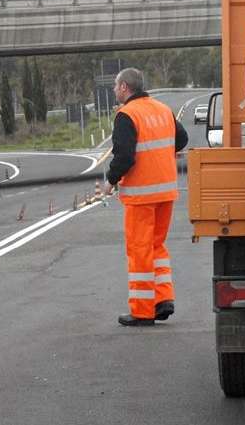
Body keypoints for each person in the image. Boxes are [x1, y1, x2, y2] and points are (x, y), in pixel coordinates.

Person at [105, 68, 188, 326]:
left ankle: (142, 310)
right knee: (157, 246)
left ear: (124, 88)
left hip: (141, 195)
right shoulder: (163, 109)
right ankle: (163, 299)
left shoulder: (126, 115)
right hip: (165, 190)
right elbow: (182, 138)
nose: (114, 90)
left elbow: (125, 156)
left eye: (116, 86)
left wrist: (110, 179)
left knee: (140, 249)